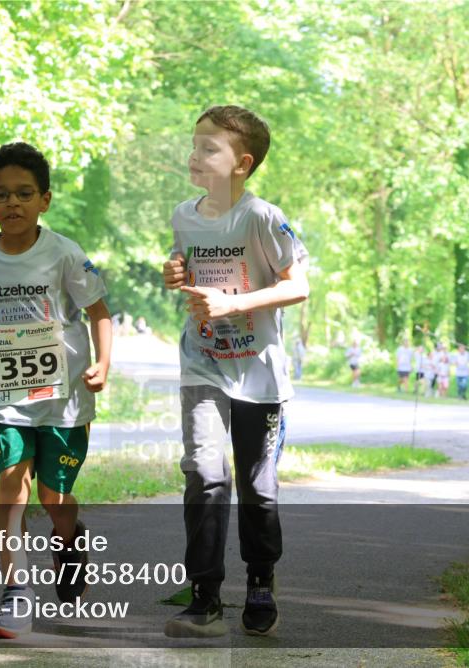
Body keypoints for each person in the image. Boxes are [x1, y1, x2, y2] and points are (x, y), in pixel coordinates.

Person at [0, 142, 113, 638]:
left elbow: (98, 311)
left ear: (45, 200)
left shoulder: (65, 254)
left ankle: (70, 539)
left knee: (55, 499)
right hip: (6, 394)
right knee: (13, 481)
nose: (13, 203)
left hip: (65, 397)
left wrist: (103, 364)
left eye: (24, 194)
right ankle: (15, 593)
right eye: (2, 195)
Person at [160, 105, 309, 638]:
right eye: (194, 143)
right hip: (202, 361)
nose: (195, 155)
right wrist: (173, 271)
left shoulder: (263, 217)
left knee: (256, 485)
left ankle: (261, 580)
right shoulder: (183, 214)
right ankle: (204, 596)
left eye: (209, 147)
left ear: (241, 163)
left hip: (259, 371)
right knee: (204, 472)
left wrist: (234, 304)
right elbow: (185, 268)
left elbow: (297, 286)